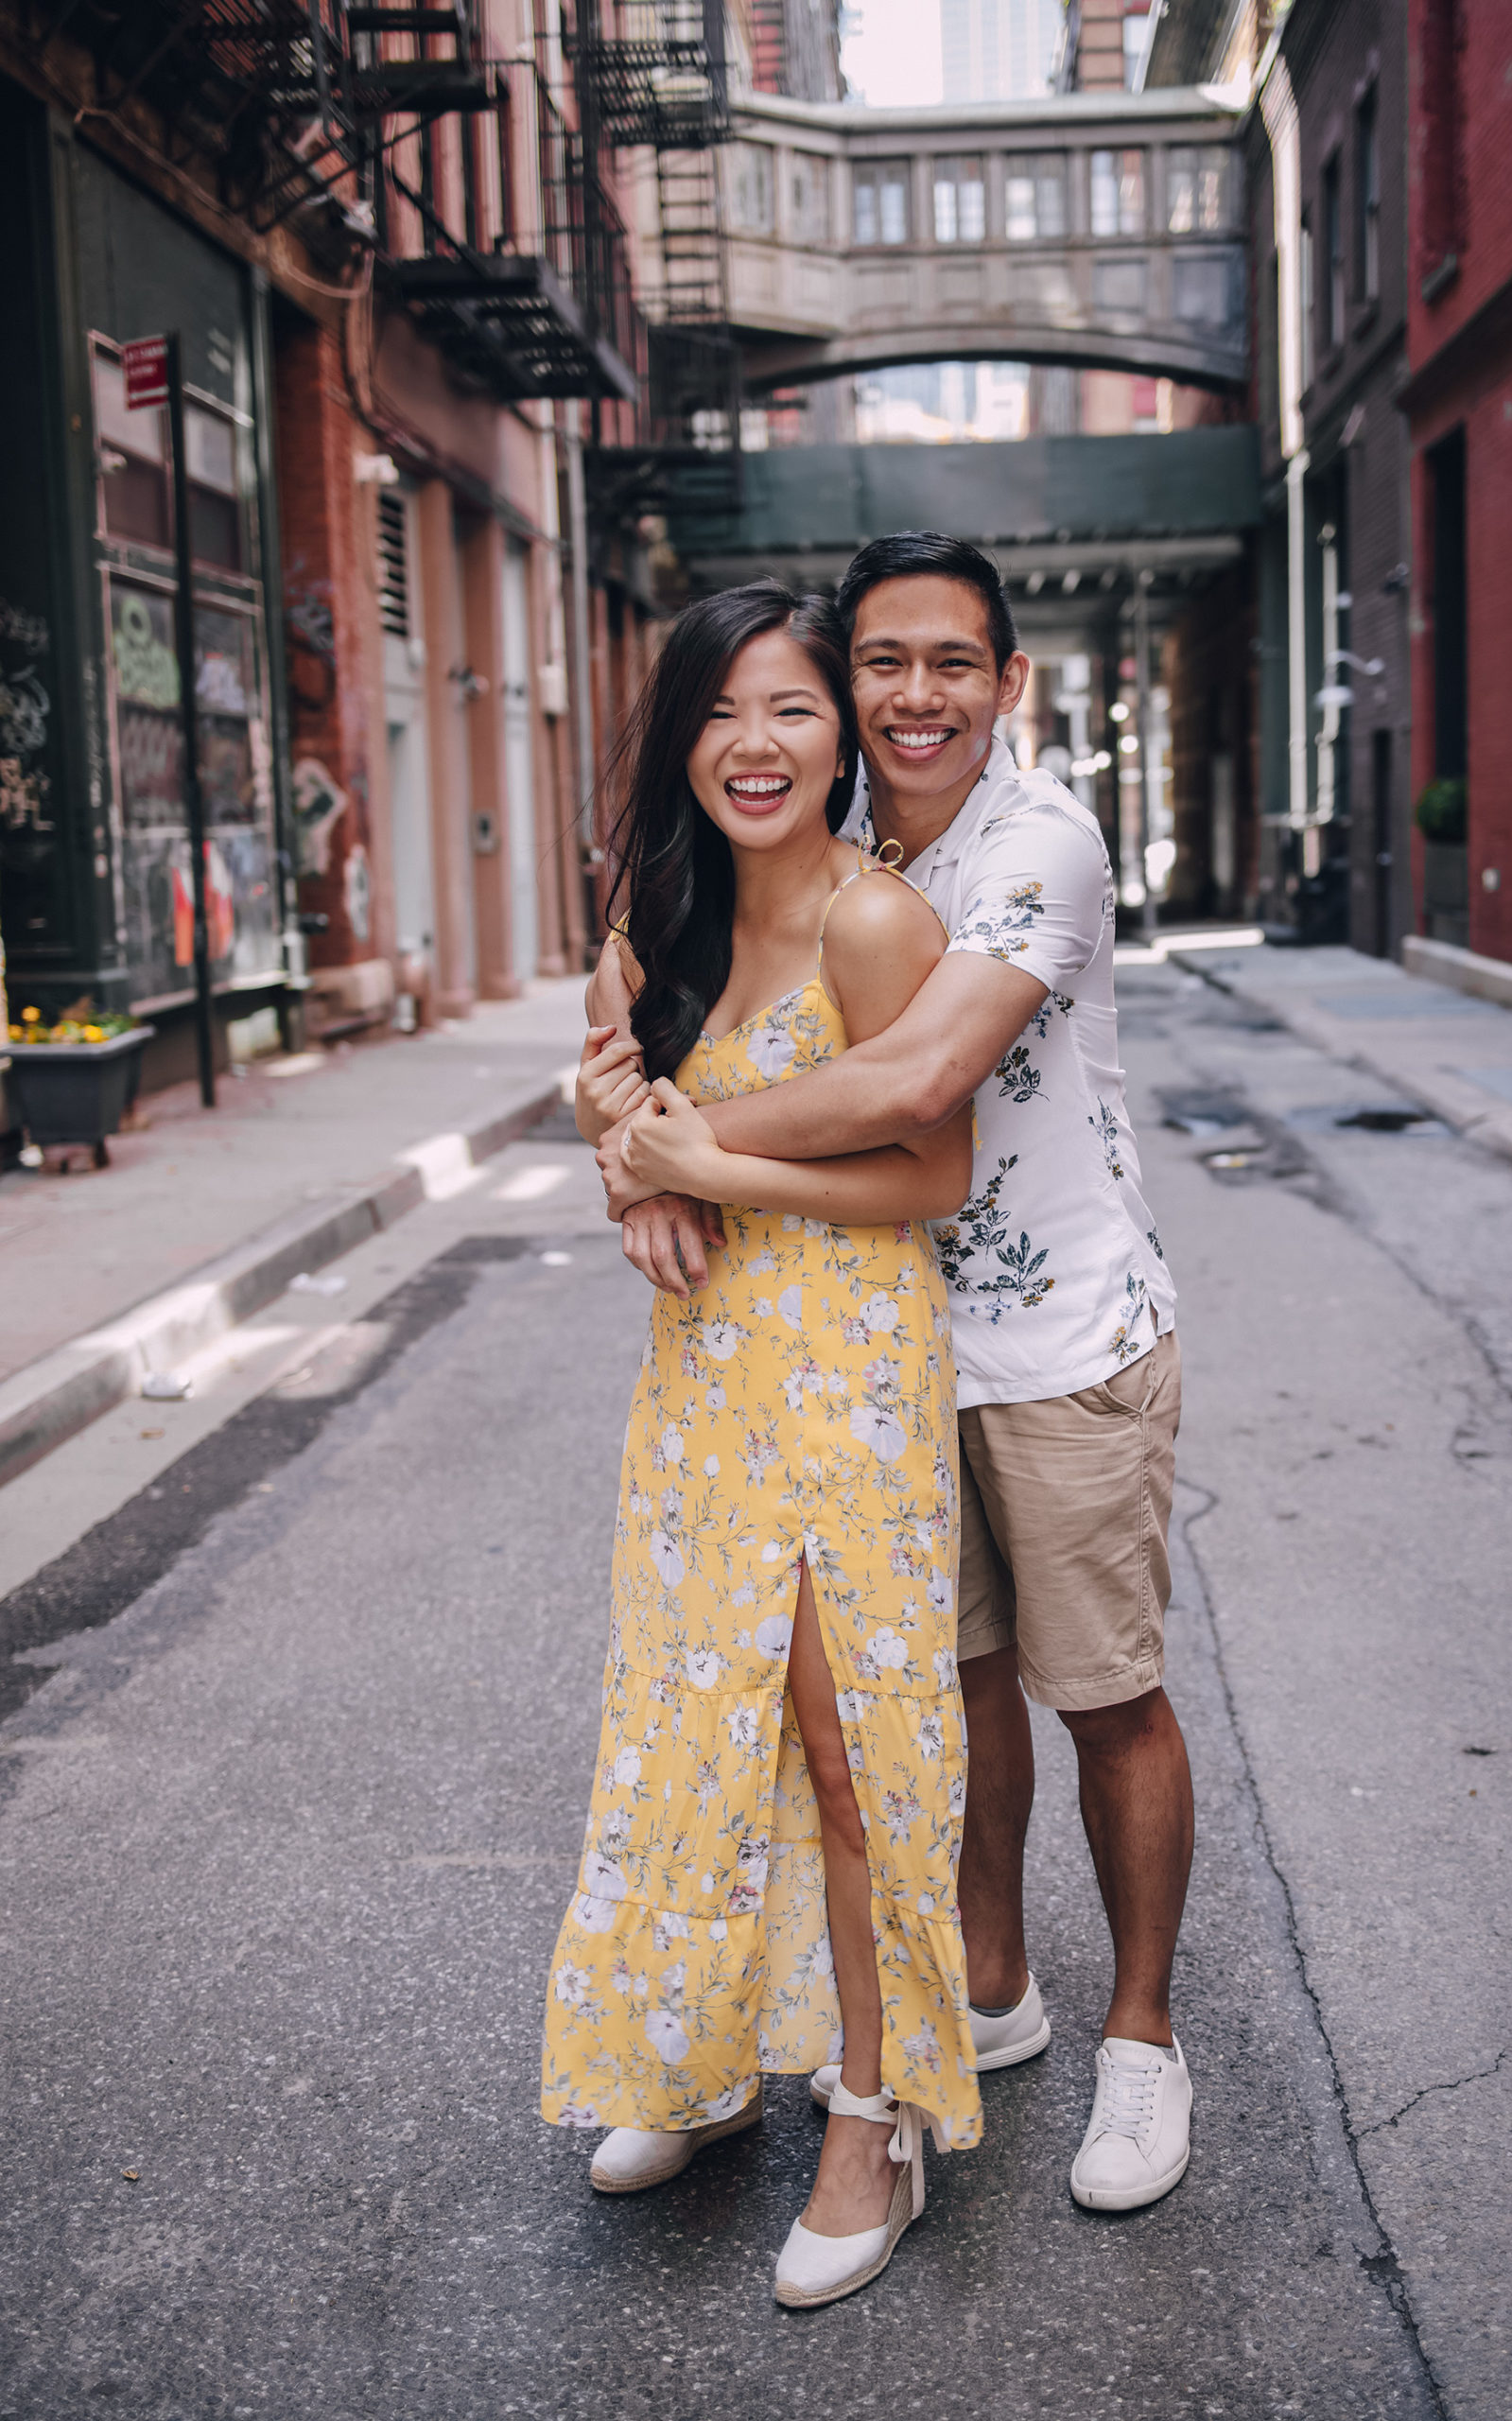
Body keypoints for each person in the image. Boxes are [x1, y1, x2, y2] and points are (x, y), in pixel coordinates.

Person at [603, 532, 1195, 2215]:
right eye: (882, 665)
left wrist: (674, 1148)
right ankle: (988, 1990)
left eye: (951, 663)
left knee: (1105, 1694)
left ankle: (1141, 2041)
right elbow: (660, 1013)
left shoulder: (1040, 845)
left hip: (1062, 1342)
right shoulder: (831, 831)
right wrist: (631, 1141)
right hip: (875, 1352)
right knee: (943, 1690)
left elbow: (921, 1074)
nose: (914, 695)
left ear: (1008, 683)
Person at [542, 581, 982, 2311]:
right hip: (700, 1392)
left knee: (843, 1741)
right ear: (680, 738)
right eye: (721, 712)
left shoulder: (879, 926)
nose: (755, 745)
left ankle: (874, 2118)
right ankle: (697, 2056)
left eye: (794, 708)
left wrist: (702, 1169)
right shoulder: (648, 922)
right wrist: (620, 1165)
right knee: (697, 1718)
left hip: (850, 1379)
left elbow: (931, 1177)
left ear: (841, 735)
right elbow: (609, 1095)